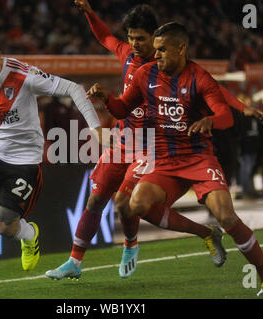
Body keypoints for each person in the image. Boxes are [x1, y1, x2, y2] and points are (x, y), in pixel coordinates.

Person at [88, 22, 263, 296]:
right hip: (166, 160)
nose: (155, 56)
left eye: (162, 50)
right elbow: (122, 109)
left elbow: (225, 116)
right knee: (137, 204)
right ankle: (207, 233)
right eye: (154, 50)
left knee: (226, 216)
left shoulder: (200, 78)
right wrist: (107, 99)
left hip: (198, 160)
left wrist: (209, 121)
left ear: (181, 48)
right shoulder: (146, 75)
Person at [46, 1, 228, 281]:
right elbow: (106, 38)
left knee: (124, 202)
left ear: (155, 37)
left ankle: (135, 244)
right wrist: (90, 14)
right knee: (95, 201)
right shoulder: (128, 55)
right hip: (123, 139)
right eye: (131, 37)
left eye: (140, 38)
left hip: (150, 144)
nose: (134, 43)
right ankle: (74, 261)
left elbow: (201, 90)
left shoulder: (168, 68)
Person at [0, 29, 103, 293]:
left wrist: (96, 128)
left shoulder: (24, 75)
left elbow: (74, 89)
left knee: (2, 225)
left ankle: (29, 234)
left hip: (24, 161)